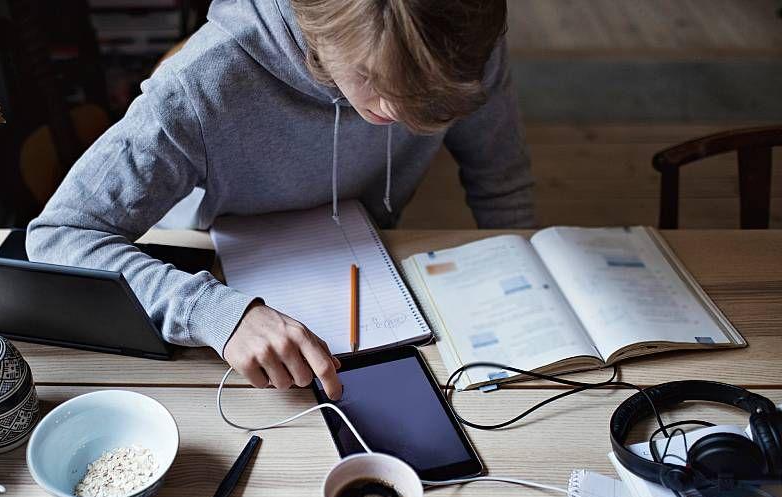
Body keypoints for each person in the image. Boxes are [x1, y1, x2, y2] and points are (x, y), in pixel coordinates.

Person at [27, 0, 535, 401]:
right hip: (216, 277)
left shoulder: (461, 45)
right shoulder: (201, 82)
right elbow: (59, 235)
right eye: (371, 78)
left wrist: (527, 279)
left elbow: (500, 176)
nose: (396, 110)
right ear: (320, 30)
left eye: (422, 95)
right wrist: (215, 312)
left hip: (374, 263)